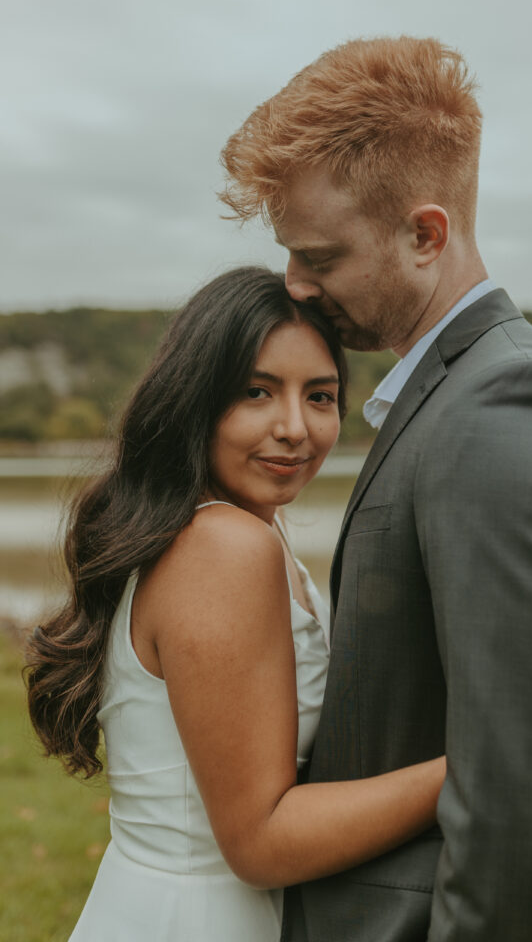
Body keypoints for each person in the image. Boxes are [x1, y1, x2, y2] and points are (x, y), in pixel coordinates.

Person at [219, 36, 532, 941]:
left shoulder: (504, 410)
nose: (293, 284)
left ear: (424, 234)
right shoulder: (450, 394)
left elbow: (531, 790)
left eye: (320, 257)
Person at [25, 267, 446, 942]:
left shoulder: (233, 528)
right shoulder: (223, 547)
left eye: (319, 396)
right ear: (197, 398)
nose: (294, 428)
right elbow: (259, 843)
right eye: (256, 391)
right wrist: (474, 768)